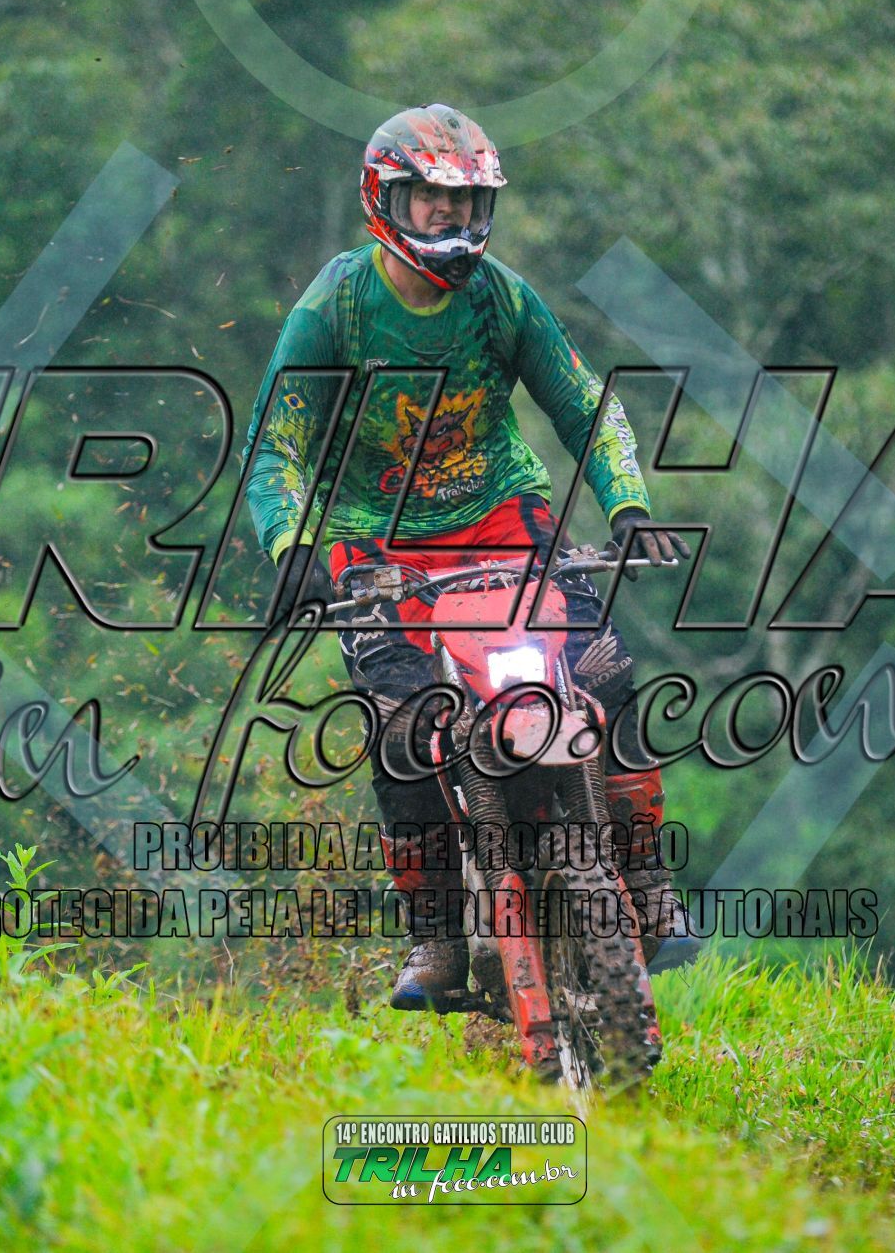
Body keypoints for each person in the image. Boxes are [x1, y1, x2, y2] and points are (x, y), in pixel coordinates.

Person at [239, 103, 698, 1010]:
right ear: (385, 200)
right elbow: (274, 446)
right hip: (374, 539)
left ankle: (647, 883)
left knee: (602, 670)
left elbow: (585, 404)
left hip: (502, 516)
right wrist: (290, 548)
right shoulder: (336, 305)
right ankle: (438, 935)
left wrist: (630, 507)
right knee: (404, 726)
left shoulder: (502, 298)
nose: (451, 218)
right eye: (431, 200)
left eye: (468, 202)